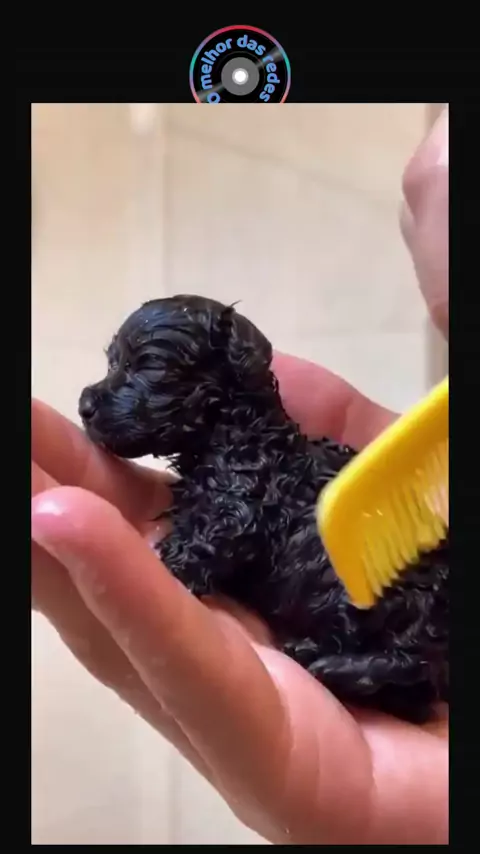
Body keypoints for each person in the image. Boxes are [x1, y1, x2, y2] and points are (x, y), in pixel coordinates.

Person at [31, 108, 449, 845]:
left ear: (218, 383)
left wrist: (168, 566)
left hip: (397, 608)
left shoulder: (247, 475)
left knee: (395, 604)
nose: (103, 397)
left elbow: (223, 531)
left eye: (140, 371)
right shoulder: (240, 470)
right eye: (116, 369)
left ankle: (396, 667)